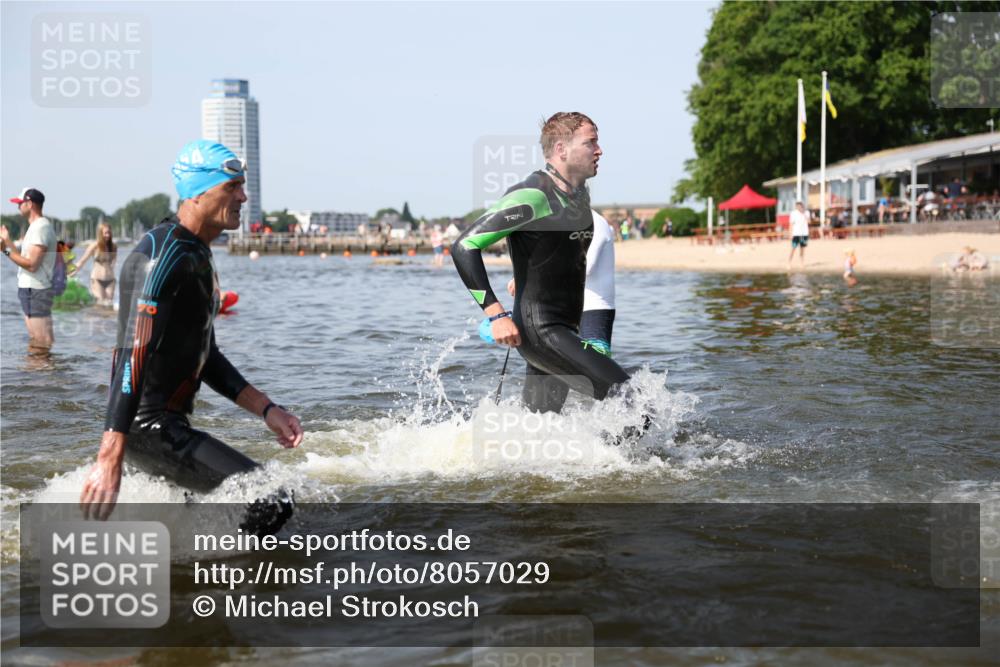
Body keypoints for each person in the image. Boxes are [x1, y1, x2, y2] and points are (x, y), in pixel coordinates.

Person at [79, 141, 304, 530]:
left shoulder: (195, 252)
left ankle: (190, 579)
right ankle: (233, 588)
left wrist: (268, 409)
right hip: (148, 429)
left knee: (262, 501)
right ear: (199, 193)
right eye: (232, 186)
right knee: (273, 499)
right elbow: (132, 355)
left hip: (166, 428)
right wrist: (109, 453)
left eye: (242, 186)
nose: (243, 196)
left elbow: (206, 355)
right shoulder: (160, 256)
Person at [452, 112, 634, 415]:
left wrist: (524, 274)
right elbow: (464, 246)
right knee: (633, 401)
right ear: (561, 149)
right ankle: (633, 464)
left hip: (562, 329)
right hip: (543, 332)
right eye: (591, 143)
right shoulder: (533, 194)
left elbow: (553, 250)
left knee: (539, 429)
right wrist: (496, 316)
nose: (599, 150)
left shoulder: (577, 195)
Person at [506, 208, 617, 356]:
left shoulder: (596, 221)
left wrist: (537, 275)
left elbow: (586, 266)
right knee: (560, 363)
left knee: (596, 363)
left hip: (595, 307)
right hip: (566, 307)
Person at [1, 188, 57, 355]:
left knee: (42, 342)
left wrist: (5, 251)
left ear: (30, 204)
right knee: (38, 340)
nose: (18, 207)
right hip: (32, 289)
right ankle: (35, 377)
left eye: (20, 204)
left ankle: (42, 378)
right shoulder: (35, 227)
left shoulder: (40, 228)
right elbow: (23, 258)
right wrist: (6, 241)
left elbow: (32, 264)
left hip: (36, 290)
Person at [70, 221, 117, 306]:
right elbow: (82, 261)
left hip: (110, 280)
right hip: (97, 280)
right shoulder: (94, 246)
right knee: (100, 305)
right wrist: (71, 273)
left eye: (109, 233)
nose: (108, 235)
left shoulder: (113, 247)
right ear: (100, 234)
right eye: (105, 233)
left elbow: (113, 264)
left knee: (109, 305)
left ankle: (111, 319)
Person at [787, 201, 810, 270]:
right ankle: (789, 262)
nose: (799, 208)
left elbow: (809, 222)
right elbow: (791, 224)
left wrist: (804, 214)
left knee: (802, 249)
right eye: (798, 207)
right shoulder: (793, 213)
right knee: (793, 248)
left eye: (800, 206)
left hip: (804, 233)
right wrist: (790, 233)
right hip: (796, 234)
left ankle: (801, 263)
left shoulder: (806, 212)